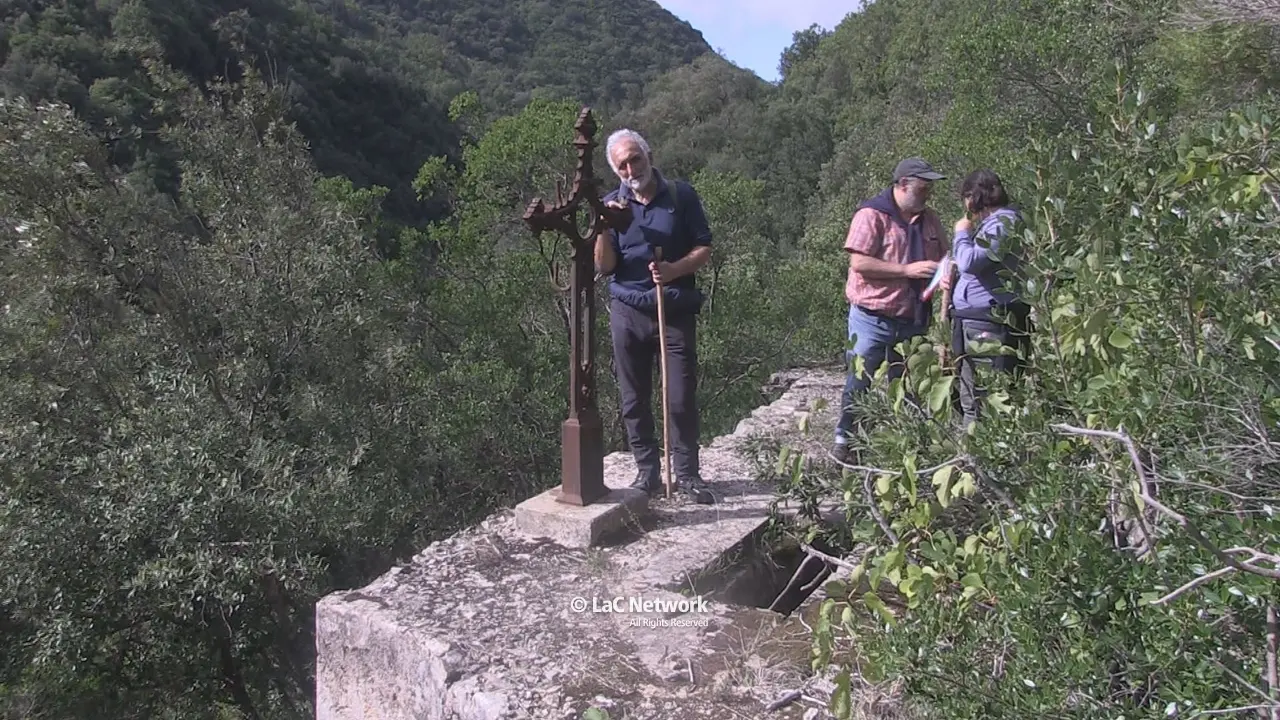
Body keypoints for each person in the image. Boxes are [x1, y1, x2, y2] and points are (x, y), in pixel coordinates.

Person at [593, 128, 715, 503]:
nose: (631, 169)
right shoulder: (611, 204)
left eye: (635, 159)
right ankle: (646, 473)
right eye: (622, 165)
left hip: (673, 308)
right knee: (633, 399)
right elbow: (605, 266)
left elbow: (704, 246)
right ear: (616, 171)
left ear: (649, 155)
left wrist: (675, 270)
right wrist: (602, 226)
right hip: (627, 311)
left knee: (679, 396)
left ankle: (687, 475)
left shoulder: (681, 195)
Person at [832, 157, 950, 464]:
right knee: (860, 382)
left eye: (930, 189)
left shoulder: (930, 220)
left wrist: (945, 271)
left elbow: (945, 256)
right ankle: (845, 441)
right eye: (923, 188)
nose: (928, 195)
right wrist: (907, 270)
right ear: (902, 185)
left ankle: (909, 449)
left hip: (913, 318)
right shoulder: (872, 215)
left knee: (911, 386)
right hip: (873, 317)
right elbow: (859, 262)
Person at [948, 168, 1031, 428]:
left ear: (974, 197)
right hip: (973, 321)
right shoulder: (991, 225)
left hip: (991, 324)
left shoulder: (1005, 223)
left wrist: (961, 233)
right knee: (970, 399)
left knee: (989, 401)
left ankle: (988, 463)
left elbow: (970, 262)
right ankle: (972, 462)